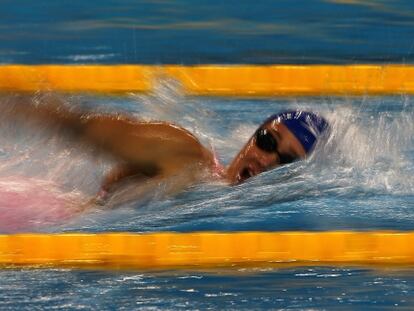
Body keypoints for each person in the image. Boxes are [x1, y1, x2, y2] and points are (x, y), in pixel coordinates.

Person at [2, 95, 329, 205]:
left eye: (285, 161)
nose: (266, 158)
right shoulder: (184, 154)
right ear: (251, 137)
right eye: (267, 142)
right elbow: (80, 127)